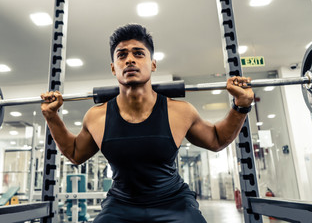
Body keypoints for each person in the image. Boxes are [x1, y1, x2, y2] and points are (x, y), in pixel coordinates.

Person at [40, 24, 254, 222]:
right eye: (122, 55)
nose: (130, 60)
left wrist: (241, 106)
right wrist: (52, 117)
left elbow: (217, 140)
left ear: (152, 64)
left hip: (174, 202)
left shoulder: (179, 111)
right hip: (121, 204)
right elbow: (75, 153)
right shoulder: (97, 116)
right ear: (114, 68)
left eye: (138, 53)